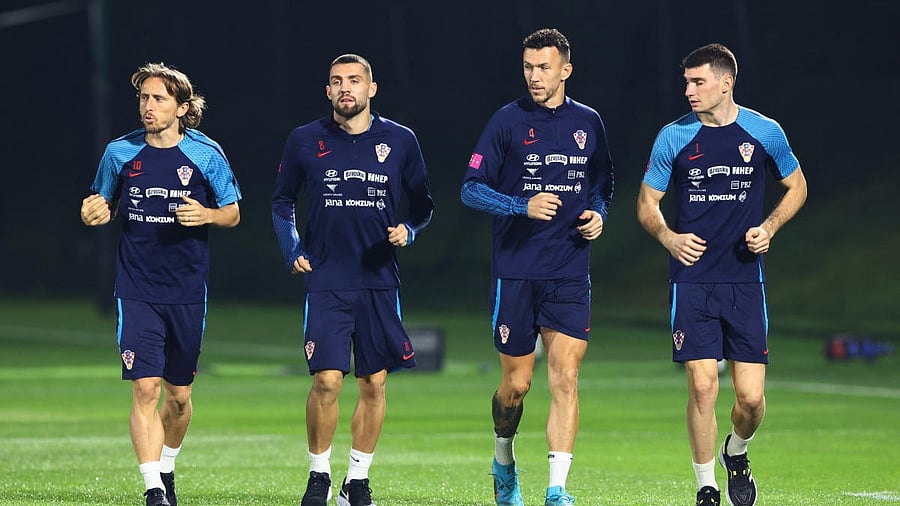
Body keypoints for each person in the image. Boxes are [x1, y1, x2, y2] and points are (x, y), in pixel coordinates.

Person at [637, 43, 807, 506]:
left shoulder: (764, 132)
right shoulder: (673, 136)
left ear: (725, 82)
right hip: (691, 281)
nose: (688, 90)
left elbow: (797, 185)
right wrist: (670, 238)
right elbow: (646, 203)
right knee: (703, 383)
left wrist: (769, 227)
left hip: (744, 281)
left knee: (750, 401)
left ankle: (737, 450)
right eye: (686, 82)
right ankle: (706, 486)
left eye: (698, 81)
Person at [460, 28, 614, 506]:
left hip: (569, 270)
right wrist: (519, 205)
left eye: (543, 67)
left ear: (565, 69)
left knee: (565, 378)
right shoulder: (506, 122)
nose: (534, 76)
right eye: (528, 67)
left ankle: (557, 490)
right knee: (518, 385)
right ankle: (503, 457)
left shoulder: (589, 122)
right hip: (516, 272)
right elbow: (469, 188)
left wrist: (599, 216)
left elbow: (602, 185)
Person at [272, 53, 434, 506]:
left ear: (371, 88)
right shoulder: (305, 140)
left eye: (354, 80)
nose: (346, 88)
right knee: (326, 380)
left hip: (379, 280)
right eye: (337, 81)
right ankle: (319, 475)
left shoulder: (400, 140)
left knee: (374, 383)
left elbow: (423, 204)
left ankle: (356, 481)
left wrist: (410, 229)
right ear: (327, 91)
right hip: (326, 279)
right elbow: (282, 201)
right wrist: (293, 247)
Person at [80, 62, 242, 506]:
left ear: (182, 107)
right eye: (143, 98)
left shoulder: (207, 154)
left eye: (158, 99)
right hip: (136, 288)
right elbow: (100, 203)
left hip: (187, 291)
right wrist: (93, 212)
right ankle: (153, 487)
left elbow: (232, 212)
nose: (147, 106)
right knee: (145, 388)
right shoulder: (119, 152)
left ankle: (166, 467)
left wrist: (207, 215)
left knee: (180, 398)